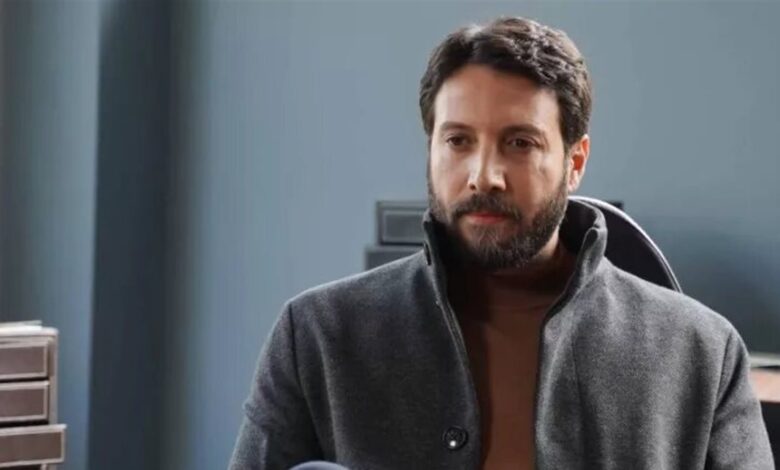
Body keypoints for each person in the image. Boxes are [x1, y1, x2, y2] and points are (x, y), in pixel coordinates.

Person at [229, 16, 773, 470]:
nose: (483, 175)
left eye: (519, 143)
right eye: (458, 141)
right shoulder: (317, 336)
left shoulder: (703, 353)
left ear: (575, 162)